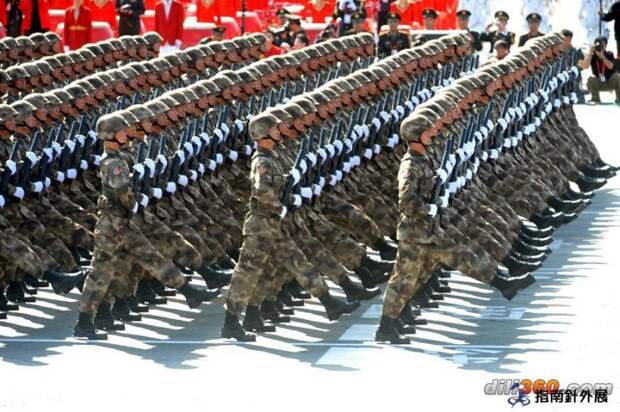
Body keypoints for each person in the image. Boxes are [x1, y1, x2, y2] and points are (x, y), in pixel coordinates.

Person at [581, 36, 620, 104]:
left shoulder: (609, 54)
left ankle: (619, 98)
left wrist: (602, 57)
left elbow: (611, 67)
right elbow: (585, 66)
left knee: (617, 77)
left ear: (606, 45)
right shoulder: (592, 56)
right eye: (598, 46)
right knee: (590, 79)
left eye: (602, 46)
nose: (600, 48)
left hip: (610, 82)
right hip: (598, 82)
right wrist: (590, 54)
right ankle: (595, 98)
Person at [562, 29, 586, 104]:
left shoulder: (577, 52)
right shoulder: (558, 51)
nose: (565, 42)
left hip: (574, 78)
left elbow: (580, 66)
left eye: (567, 40)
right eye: (564, 40)